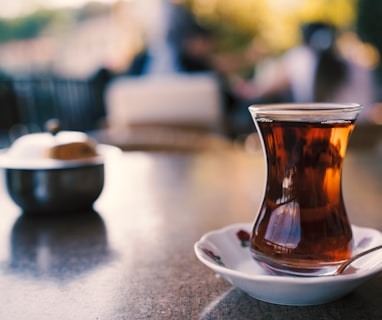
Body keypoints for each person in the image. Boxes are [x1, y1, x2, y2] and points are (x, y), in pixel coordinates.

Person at [233, 22, 376, 122]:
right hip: (364, 136)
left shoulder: (300, 57)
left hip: (316, 136)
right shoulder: (357, 64)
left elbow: (261, 90)